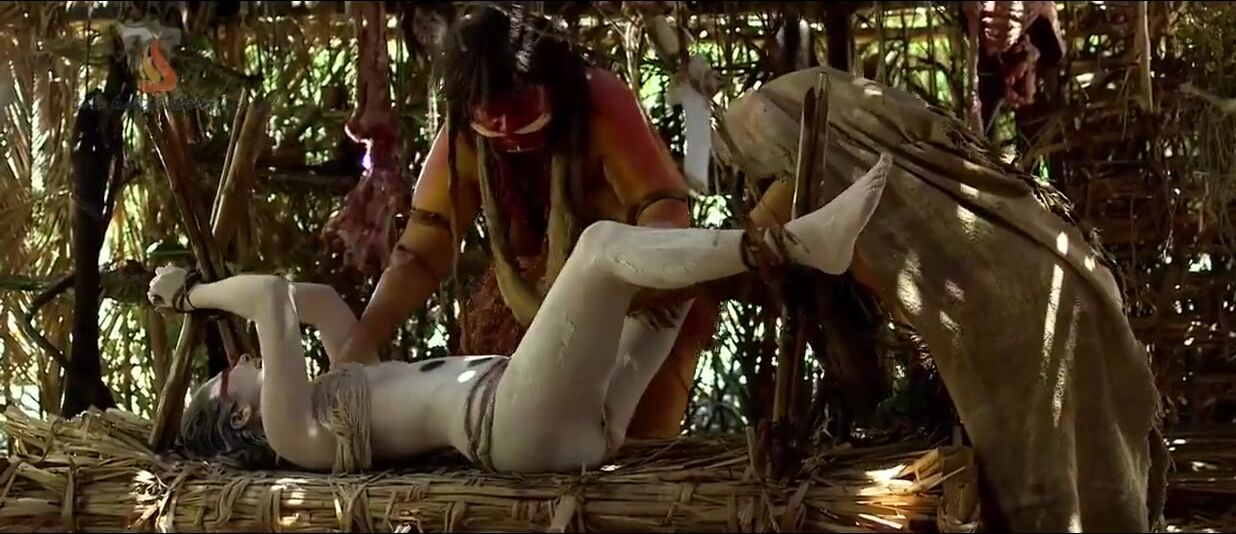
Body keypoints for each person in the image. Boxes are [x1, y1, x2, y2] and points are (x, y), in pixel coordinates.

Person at [154, 155, 892, 473]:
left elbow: (313, 303)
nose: (237, 362)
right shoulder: (294, 433)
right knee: (601, 249)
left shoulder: (338, 392)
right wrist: (191, 294)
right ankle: (791, 243)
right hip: (510, 423)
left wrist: (217, 296)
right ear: (241, 416)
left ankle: (789, 218)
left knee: (662, 302)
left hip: (562, 421)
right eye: (226, 379)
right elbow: (270, 298)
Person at [333, 5, 717, 439]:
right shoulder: (465, 132)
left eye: (519, 106)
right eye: (490, 113)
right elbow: (421, 251)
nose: (505, 126)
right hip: (523, 310)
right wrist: (360, 341)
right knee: (520, 437)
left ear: (550, 85)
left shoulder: (599, 102)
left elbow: (664, 213)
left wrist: (615, 285)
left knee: (631, 437)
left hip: (632, 298)